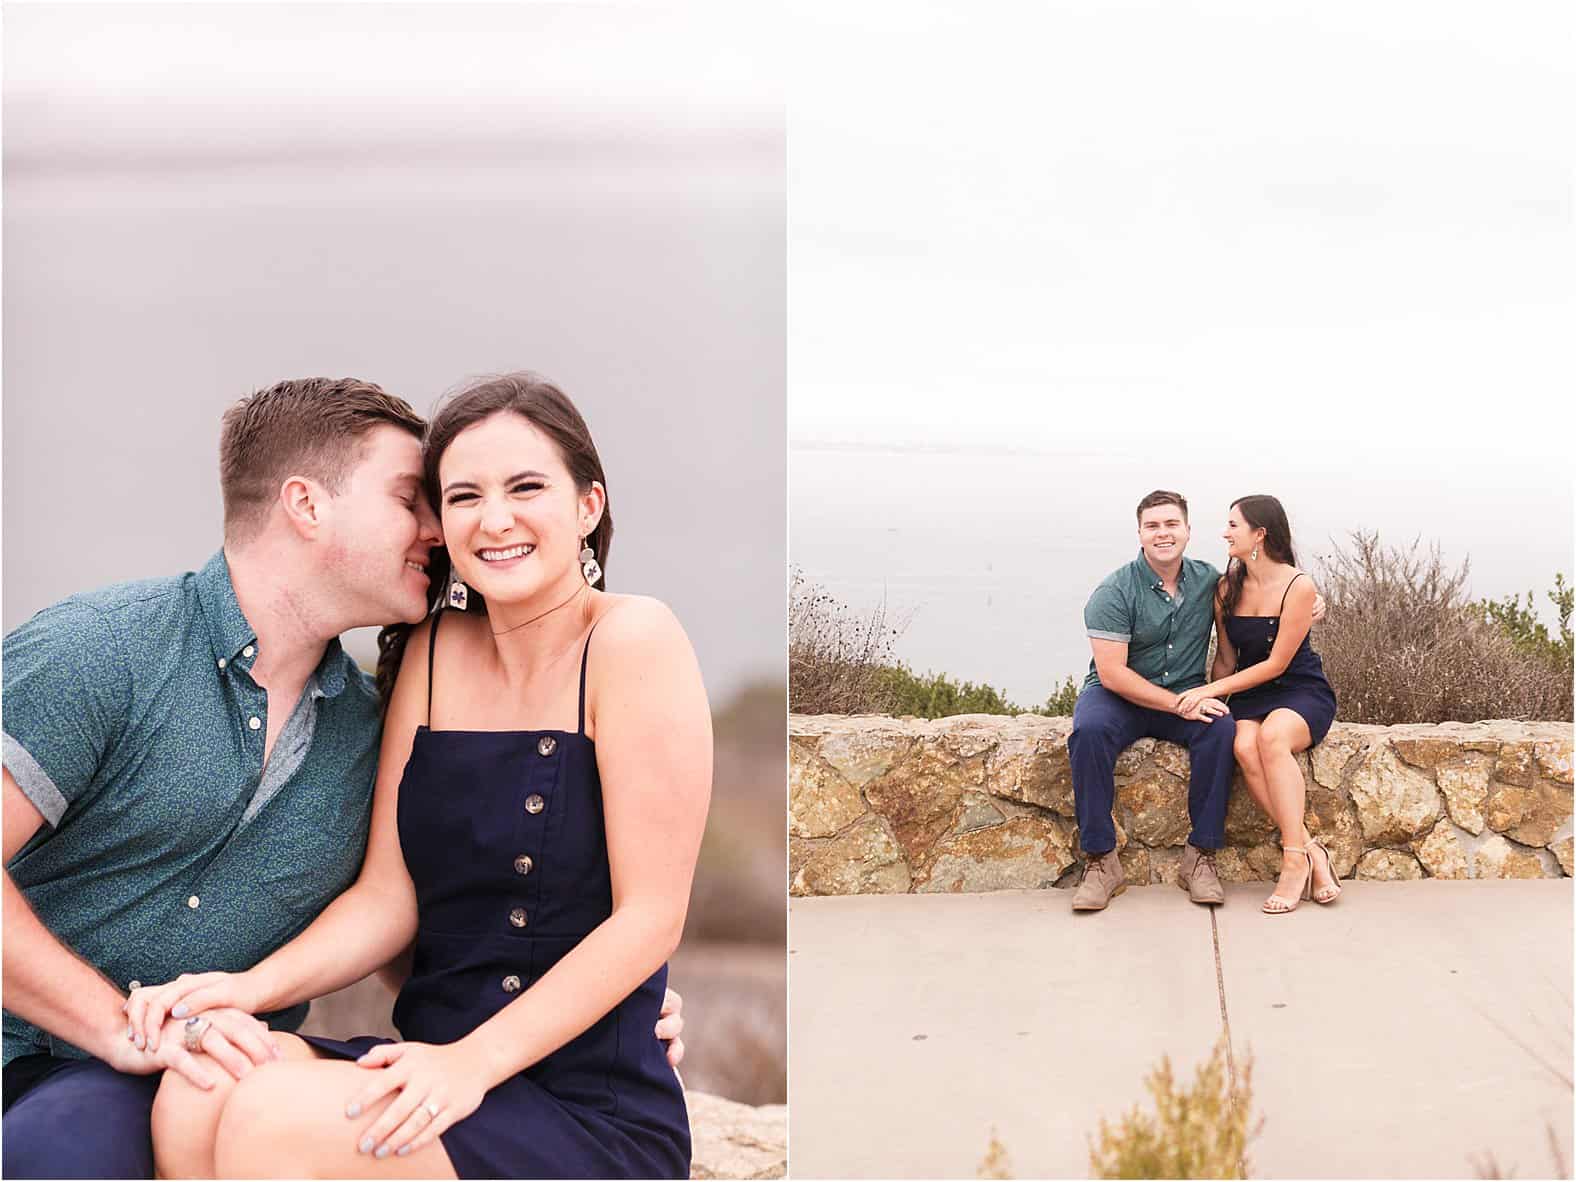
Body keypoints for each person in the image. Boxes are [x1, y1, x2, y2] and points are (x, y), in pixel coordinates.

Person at [1, 377, 685, 1180]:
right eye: (435, 496)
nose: (458, 524)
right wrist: (217, 1000)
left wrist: (612, 1005)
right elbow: (392, 900)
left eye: (524, 487)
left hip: (537, 1084)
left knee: (244, 1104)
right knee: (166, 1106)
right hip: (54, 1046)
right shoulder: (110, 650)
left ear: (588, 506)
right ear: (306, 506)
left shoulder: (616, 645)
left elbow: (618, 913)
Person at [1174, 494, 1340, 914]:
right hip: (1250, 693)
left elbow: (1276, 664)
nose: (1225, 533)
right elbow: (1226, 660)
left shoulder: (1298, 585)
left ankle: (1292, 861)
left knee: (1271, 739)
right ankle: (1312, 850)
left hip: (1300, 689)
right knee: (1242, 745)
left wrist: (1207, 693)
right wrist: (1216, 699)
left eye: (1233, 525)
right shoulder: (1226, 588)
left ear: (1259, 535)